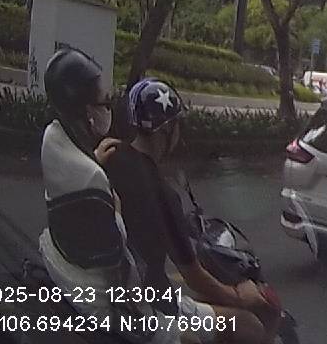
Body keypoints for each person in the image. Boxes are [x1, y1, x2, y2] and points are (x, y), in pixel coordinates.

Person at [103, 78, 278, 344]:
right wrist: (238, 297)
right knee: (249, 326)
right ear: (166, 129)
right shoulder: (162, 193)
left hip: (117, 292)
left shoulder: (109, 155)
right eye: (177, 124)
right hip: (152, 305)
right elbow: (194, 276)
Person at [37, 47, 169, 340]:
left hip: (64, 266)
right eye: (105, 103)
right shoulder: (94, 179)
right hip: (102, 301)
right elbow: (117, 259)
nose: (108, 109)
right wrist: (116, 207)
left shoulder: (53, 137)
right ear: (87, 111)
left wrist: (93, 159)